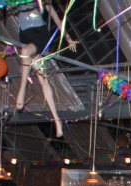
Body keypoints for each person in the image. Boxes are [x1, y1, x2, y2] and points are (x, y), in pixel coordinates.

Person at [13, 0, 79, 138]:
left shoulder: (42, 1)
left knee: (25, 52)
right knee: (43, 79)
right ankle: (57, 120)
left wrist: (68, 39)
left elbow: (57, 20)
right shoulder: (14, 2)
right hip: (25, 36)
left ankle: (22, 90)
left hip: (39, 35)